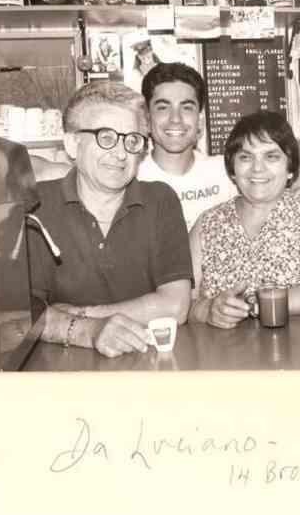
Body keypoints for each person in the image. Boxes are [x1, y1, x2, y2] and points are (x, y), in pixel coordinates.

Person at [26, 81, 193, 358]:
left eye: (132, 140)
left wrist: (82, 315)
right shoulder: (37, 206)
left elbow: (175, 307)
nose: (120, 153)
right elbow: (24, 315)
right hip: (62, 375)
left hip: (147, 364)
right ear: (71, 143)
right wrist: (89, 331)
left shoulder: (160, 201)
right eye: (106, 137)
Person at [188, 110, 300, 329]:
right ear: (232, 170)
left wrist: (253, 305)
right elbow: (184, 304)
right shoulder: (206, 224)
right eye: (245, 157)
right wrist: (208, 310)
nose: (257, 168)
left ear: (290, 168)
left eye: (271, 156)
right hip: (224, 354)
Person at [139, 62, 237, 231]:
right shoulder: (131, 177)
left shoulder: (226, 172)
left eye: (186, 108)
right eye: (163, 107)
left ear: (200, 120)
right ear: (147, 119)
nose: (175, 118)